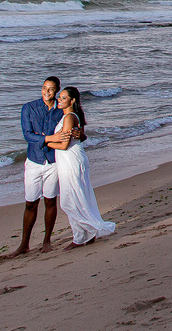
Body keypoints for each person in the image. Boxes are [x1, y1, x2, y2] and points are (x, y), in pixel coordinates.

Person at [10, 77, 81, 256]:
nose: (46, 92)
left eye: (50, 89)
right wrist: (49, 138)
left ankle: (47, 240)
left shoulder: (61, 110)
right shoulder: (29, 108)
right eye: (44, 88)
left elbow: (76, 128)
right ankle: (24, 244)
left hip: (54, 162)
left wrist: (79, 134)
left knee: (50, 201)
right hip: (34, 161)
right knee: (30, 203)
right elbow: (27, 135)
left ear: (56, 91)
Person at [48, 86, 115, 248]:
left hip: (71, 160)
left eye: (63, 98)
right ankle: (84, 235)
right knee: (76, 197)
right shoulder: (68, 116)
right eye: (60, 97)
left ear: (72, 101)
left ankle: (84, 234)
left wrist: (47, 142)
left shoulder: (70, 117)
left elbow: (64, 145)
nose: (59, 99)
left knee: (69, 200)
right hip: (69, 160)